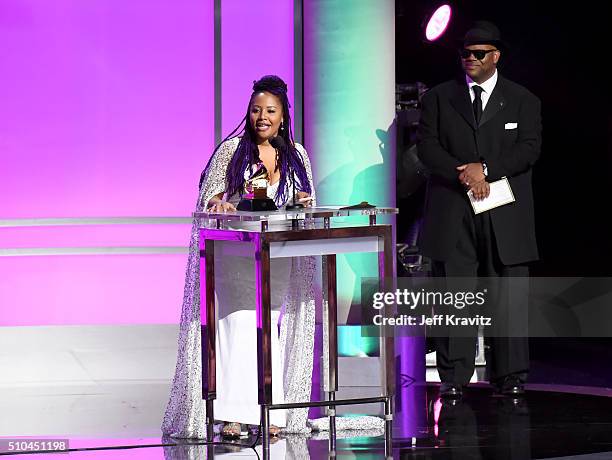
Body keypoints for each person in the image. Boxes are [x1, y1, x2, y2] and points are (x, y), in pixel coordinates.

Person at [161, 75, 317, 438]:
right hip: (234, 252)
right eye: (256, 109)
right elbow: (209, 196)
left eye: (270, 111)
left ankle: (271, 412)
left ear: (283, 116)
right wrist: (219, 201)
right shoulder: (231, 151)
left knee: (268, 326)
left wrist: (299, 202)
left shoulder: (296, 154)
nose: (262, 116)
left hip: (275, 252)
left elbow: (302, 198)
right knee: (239, 325)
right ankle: (232, 414)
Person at [417, 21, 542, 398]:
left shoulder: (523, 100)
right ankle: (454, 377)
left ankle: (511, 376)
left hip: (504, 211)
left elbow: (528, 149)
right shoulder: (439, 98)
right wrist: (466, 175)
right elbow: (428, 148)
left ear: (495, 57)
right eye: (465, 54)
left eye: (478, 54)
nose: (470, 59)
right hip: (454, 210)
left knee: (507, 292)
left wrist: (484, 169)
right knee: (457, 292)